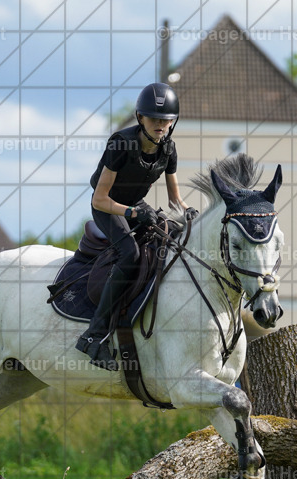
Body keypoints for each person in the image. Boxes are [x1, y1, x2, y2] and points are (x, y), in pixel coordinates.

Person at [76, 82, 198, 369]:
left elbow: (174, 199)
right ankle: (94, 336)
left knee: (169, 241)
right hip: (109, 207)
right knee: (130, 254)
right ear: (140, 118)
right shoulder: (121, 143)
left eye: (166, 120)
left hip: (135, 206)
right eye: (154, 119)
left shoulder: (169, 149)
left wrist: (188, 211)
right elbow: (100, 199)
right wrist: (132, 213)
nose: (161, 125)